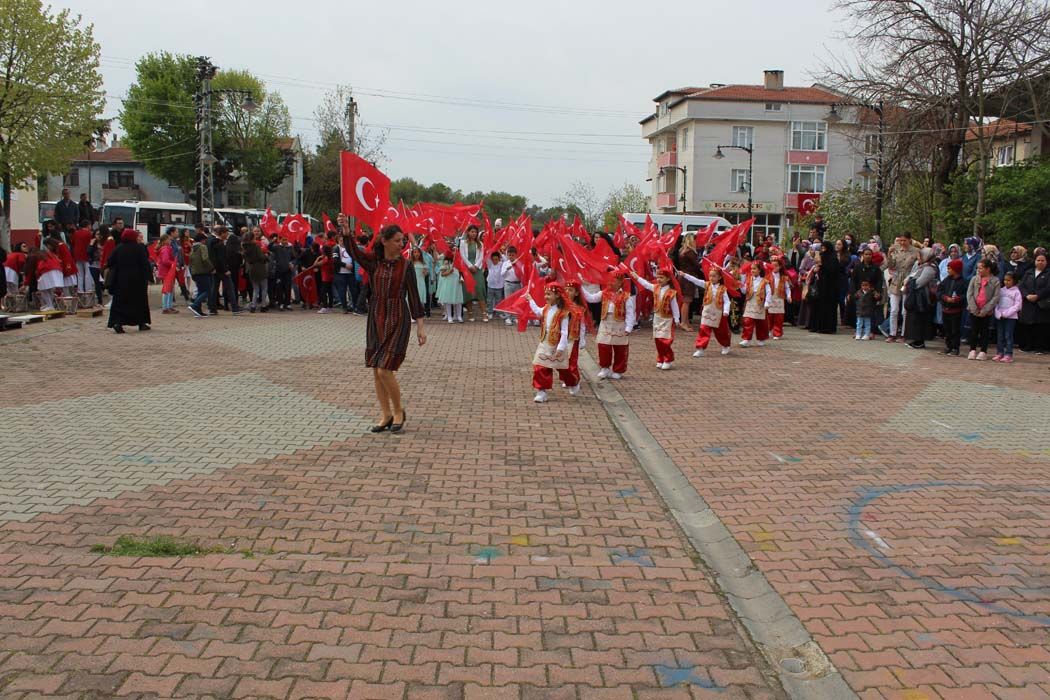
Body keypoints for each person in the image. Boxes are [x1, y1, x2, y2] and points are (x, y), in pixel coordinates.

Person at [339, 214, 426, 433]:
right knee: (376, 370)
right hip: (376, 316)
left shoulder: (406, 266)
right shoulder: (373, 262)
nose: (401, 244)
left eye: (402, 240)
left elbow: (414, 296)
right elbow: (355, 253)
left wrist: (421, 327)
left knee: (385, 370)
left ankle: (398, 411)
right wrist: (347, 232)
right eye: (397, 240)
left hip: (398, 317)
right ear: (385, 241)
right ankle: (385, 414)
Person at [581, 269, 635, 379]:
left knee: (620, 348)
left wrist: (629, 327)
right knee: (603, 346)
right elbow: (591, 298)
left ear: (620, 282)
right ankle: (605, 368)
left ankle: (618, 370)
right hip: (606, 322)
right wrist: (580, 287)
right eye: (609, 280)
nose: (610, 282)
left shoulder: (626, 296)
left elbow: (630, 312)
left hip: (619, 324)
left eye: (613, 280)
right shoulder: (604, 293)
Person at [629, 265, 682, 370]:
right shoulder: (656, 288)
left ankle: (668, 359)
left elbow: (675, 306)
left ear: (668, 279)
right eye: (658, 277)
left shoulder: (671, 292)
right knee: (658, 340)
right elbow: (646, 284)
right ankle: (660, 358)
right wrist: (637, 277)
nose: (659, 279)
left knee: (665, 340)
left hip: (667, 319)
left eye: (661, 277)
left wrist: (677, 319)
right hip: (657, 318)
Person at [525, 282, 570, 404]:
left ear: (557, 295)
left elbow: (564, 332)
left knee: (563, 369)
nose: (546, 296)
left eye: (549, 294)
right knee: (540, 366)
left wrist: (561, 348)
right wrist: (530, 300)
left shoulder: (563, 312)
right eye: (545, 294)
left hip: (557, 344)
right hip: (545, 342)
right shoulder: (546, 308)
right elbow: (538, 312)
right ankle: (541, 391)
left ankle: (572, 382)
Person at [105, 229, 152, 333]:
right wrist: (149, 277)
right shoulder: (139, 248)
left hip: (121, 280)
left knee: (120, 302)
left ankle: (118, 323)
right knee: (139, 302)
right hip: (137, 280)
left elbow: (110, 261)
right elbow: (145, 263)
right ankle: (141, 323)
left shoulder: (119, 248)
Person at [680, 267, 732, 358]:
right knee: (704, 329)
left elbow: (727, 301)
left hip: (718, 313)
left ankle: (725, 345)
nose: (711, 278)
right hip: (707, 311)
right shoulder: (707, 285)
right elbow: (696, 281)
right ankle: (700, 348)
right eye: (710, 276)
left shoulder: (723, 289)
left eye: (714, 276)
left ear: (719, 277)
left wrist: (726, 311)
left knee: (721, 332)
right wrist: (685, 275)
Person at [883, 233, 919, 342]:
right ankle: (892, 333)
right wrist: (889, 254)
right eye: (900, 240)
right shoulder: (896, 250)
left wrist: (911, 278)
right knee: (894, 309)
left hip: (908, 280)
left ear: (909, 240)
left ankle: (904, 334)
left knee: (905, 310)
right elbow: (891, 265)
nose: (902, 243)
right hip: (896, 280)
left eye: (904, 240)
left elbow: (918, 266)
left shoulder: (915, 251)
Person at [903, 248, 939, 349]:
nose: (918, 258)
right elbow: (911, 276)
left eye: (920, 256)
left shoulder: (930, 268)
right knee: (914, 319)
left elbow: (919, 283)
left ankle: (920, 341)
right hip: (916, 297)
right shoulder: (921, 266)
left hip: (923, 298)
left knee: (920, 319)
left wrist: (910, 282)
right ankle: (915, 339)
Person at [966, 259, 1001, 361]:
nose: (979, 270)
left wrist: (985, 310)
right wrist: (974, 308)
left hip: (986, 311)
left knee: (984, 331)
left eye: (981, 268)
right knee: (973, 330)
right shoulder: (974, 279)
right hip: (974, 310)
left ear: (988, 269)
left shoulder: (995, 280)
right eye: (978, 268)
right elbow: (969, 294)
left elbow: (996, 297)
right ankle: (972, 350)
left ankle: (983, 351)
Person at [1018, 253, 1049, 354]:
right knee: (1028, 325)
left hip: (1042, 303)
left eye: (1042, 260)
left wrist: (1038, 296)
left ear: (1046, 262)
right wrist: (1026, 295)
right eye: (1038, 260)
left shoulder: (1048, 273)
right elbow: (1022, 286)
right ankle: (1028, 346)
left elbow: (1048, 288)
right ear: (1035, 261)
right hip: (1028, 302)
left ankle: (1040, 348)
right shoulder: (1029, 272)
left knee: (1040, 326)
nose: (1040, 262)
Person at [937, 258, 967, 356]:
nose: (948, 270)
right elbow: (939, 291)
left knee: (955, 330)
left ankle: (955, 348)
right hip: (945, 308)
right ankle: (948, 346)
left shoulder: (963, 282)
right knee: (947, 329)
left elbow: (965, 295)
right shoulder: (946, 280)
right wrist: (944, 298)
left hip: (956, 310)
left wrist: (958, 299)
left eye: (950, 268)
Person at [459, 226, 488, 321]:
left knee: (480, 290)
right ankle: (470, 313)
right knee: (468, 291)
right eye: (472, 232)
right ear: (468, 232)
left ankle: (484, 313)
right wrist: (469, 266)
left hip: (477, 269)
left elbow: (481, 256)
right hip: (467, 269)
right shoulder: (463, 243)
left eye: (475, 232)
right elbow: (462, 255)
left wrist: (475, 266)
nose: (474, 233)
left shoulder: (480, 244)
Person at [739, 262, 771, 347]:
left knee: (760, 322)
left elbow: (768, 292)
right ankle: (746, 339)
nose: (752, 270)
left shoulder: (764, 281)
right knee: (748, 321)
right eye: (751, 269)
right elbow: (744, 291)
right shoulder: (749, 279)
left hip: (760, 303)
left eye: (754, 269)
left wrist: (767, 302)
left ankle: (761, 338)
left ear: (759, 270)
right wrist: (741, 285)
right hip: (750, 301)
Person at [813, 240, 841, 334]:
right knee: (820, 306)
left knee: (829, 307)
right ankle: (820, 326)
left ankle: (828, 327)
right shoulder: (823, 256)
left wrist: (822, 265)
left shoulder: (833, 258)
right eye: (822, 248)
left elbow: (832, 271)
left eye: (824, 248)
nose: (823, 250)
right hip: (822, 286)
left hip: (831, 287)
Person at [994, 272, 1022, 363]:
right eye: (1005, 280)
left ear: (1014, 281)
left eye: (1009, 280)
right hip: (1000, 317)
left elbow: (1018, 306)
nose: (1006, 282)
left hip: (1011, 317)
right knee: (1000, 335)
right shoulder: (1001, 290)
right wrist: (998, 313)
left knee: (1008, 335)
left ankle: (1008, 354)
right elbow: (996, 303)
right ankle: (1000, 352)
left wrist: (1006, 313)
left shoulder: (1016, 292)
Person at [187, 233, 214, 318]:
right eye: (205, 240)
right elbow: (205, 258)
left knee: (200, 291)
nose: (205, 241)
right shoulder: (203, 247)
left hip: (195, 272)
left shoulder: (193, 248)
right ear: (202, 240)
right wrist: (211, 268)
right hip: (203, 272)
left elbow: (190, 260)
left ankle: (198, 311)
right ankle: (194, 305)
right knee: (207, 290)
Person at [243, 231, 269, 313]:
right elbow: (261, 257)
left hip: (251, 268)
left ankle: (253, 306)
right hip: (260, 268)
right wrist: (266, 256)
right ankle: (263, 306)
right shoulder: (256, 246)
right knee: (264, 288)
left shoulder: (244, 247)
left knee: (255, 289)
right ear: (251, 239)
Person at [767, 256, 791, 340]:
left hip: (780, 298)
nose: (774, 267)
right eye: (772, 265)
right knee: (769, 316)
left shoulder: (784, 277)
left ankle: (777, 333)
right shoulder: (768, 276)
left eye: (776, 266)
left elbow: (787, 287)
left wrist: (789, 296)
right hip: (770, 297)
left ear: (780, 266)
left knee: (779, 317)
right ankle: (768, 330)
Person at [436, 252, 464, 323]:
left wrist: (461, 278)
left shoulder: (459, 263)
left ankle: (458, 316)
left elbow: (461, 272)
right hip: (448, 283)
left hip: (457, 283)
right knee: (448, 300)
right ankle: (449, 316)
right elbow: (442, 274)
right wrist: (449, 272)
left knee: (458, 300)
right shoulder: (446, 263)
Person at [156, 233, 178, 314]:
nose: (170, 241)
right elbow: (165, 261)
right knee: (167, 290)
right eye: (169, 239)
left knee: (169, 289)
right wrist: (173, 264)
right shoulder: (165, 249)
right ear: (165, 241)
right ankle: (166, 307)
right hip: (167, 271)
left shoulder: (165, 248)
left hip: (166, 271)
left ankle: (168, 306)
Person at [501, 246, 522, 325]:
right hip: (508, 284)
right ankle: (508, 317)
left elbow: (522, 273)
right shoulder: (505, 263)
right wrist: (507, 269)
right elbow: (502, 274)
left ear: (516, 255)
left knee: (516, 301)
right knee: (508, 301)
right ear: (507, 255)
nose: (511, 257)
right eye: (509, 255)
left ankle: (515, 317)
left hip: (517, 284)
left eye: (513, 255)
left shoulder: (519, 263)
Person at [71, 220, 94, 295]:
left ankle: (80, 290)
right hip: (87, 255)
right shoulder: (89, 234)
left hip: (77, 255)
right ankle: (88, 290)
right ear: (88, 225)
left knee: (79, 274)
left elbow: (73, 243)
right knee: (88, 274)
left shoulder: (76, 233)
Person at [409, 247, 429, 318]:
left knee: (420, 298)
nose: (416, 254)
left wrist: (425, 272)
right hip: (413, 282)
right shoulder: (410, 263)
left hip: (421, 282)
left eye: (418, 252)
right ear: (412, 254)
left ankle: (419, 314)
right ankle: (412, 315)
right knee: (412, 298)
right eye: (415, 252)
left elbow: (426, 273)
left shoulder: (423, 263)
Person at [485, 251, 504, 321]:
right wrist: (493, 249)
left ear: (499, 259)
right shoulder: (490, 264)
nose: (494, 261)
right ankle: (490, 312)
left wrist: (499, 252)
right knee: (489, 300)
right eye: (493, 259)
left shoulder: (501, 264)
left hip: (499, 286)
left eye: (496, 259)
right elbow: (487, 257)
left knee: (499, 300)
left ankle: (499, 312)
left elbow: (505, 259)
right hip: (490, 285)